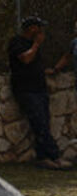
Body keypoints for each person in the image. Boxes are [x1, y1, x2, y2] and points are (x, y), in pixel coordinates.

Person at [8, 16, 69, 170]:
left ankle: (43, 157)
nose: (41, 31)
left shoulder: (34, 46)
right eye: (39, 27)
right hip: (26, 89)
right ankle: (55, 156)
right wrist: (36, 44)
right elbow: (26, 59)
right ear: (31, 28)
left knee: (43, 122)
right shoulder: (17, 43)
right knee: (39, 122)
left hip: (39, 88)